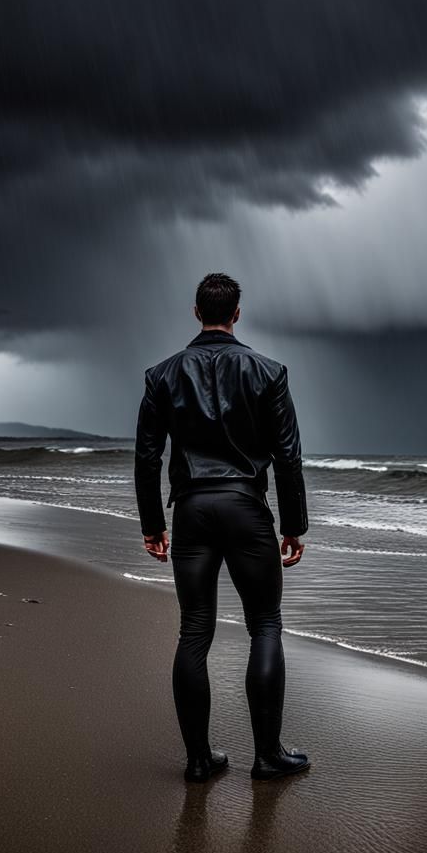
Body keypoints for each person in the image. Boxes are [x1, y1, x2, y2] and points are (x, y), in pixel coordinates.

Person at [133, 272, 311, 783]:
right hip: (245, 508)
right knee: (265, 624)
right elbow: (287, 457)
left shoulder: (162, 375)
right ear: (237, 313)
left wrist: (152, 523)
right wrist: (294, 525)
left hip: (191, 511)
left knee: (194, 633)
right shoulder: (269, 371)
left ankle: (197, 761)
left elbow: (148, 457)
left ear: (197, 313)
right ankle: (268, 756)